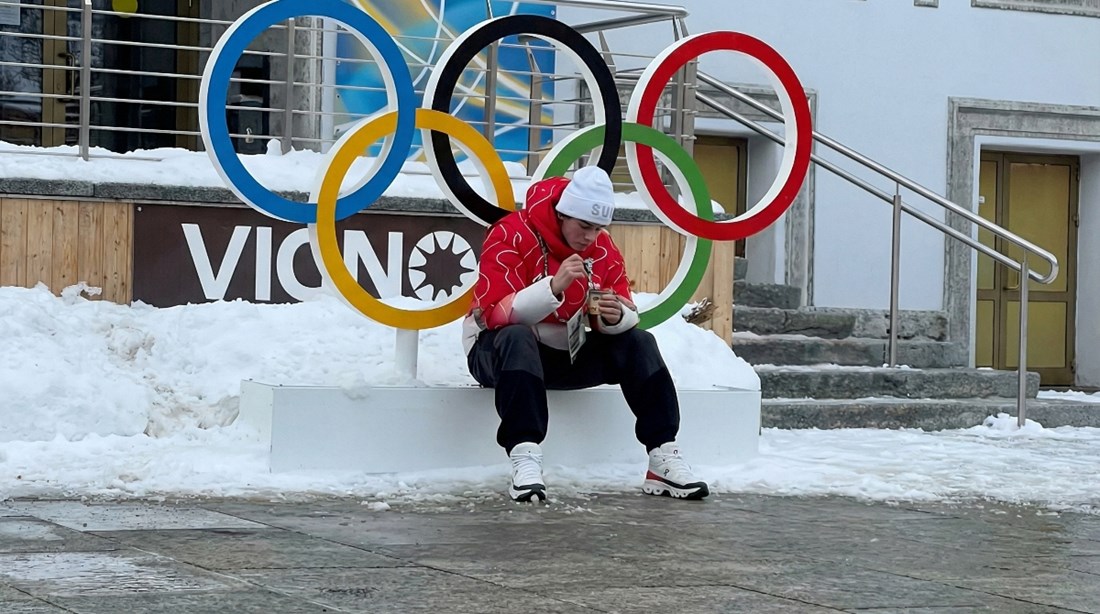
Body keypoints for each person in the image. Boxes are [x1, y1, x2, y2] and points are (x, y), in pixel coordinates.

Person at [463, 166, 709, 502]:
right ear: (562, 214)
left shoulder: (602, 247)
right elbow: (494, 315)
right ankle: (524, 455)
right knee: (516, 337)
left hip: (564, 354)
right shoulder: (510, 232)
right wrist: (553, 287)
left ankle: (662, 455)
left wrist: (616, 316)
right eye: (583, 226)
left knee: (639, 342)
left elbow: (624, 305)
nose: (590, 237)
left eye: (597, 228)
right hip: (495, 354)